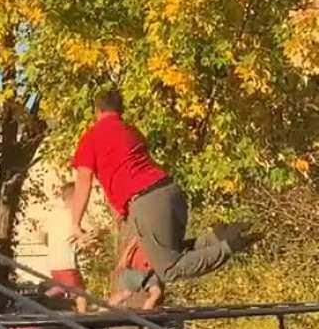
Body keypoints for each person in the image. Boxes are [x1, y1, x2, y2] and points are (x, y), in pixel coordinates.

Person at [70, 88, 257, 289]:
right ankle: (217, 237)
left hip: (146, 200)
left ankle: (229, 246)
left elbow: (83, 181)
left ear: (97, 110)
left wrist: (75, 223)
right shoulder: (132, 132)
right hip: (170, 190)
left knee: (169, 269)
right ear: (120, 109)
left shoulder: (92, 137)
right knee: (172, 252)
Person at [44, 182, 90, 314]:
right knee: (81, 295)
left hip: (53, 262)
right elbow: (83, 234)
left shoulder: (53, 215)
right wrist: (90, 236)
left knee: (62, 287)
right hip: (66, 263)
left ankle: (42, 298)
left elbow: (42, 236)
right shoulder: (73, 216)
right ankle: (83, 320)